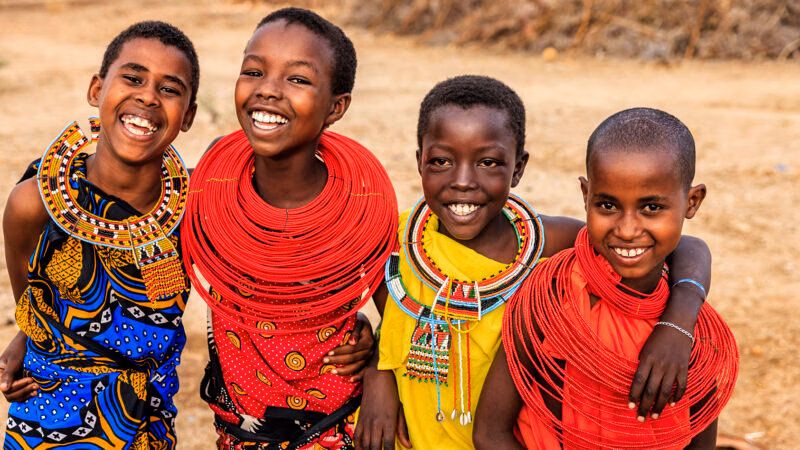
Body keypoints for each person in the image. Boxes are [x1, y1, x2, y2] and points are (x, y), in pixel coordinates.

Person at [354, 77, 714, 450]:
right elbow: (391, 325)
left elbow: (688, 248)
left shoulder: (551, 244)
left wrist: (678, 324)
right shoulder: (396, 242)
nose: (463, 182)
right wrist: (377, 373)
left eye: (489, 162)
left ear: (518, 167)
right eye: (441, 161)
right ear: (419, 162)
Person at [180, 8, 397, 450]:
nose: (268, 89)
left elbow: (398, 314)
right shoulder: (211, 183)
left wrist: (377, 369)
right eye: (254, 71)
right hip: (235, 432)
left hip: (333, 428)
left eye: (297, 79)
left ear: (336, 107)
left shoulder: (358, 209)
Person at [473, 107, 738, 449]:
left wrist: (678, 327)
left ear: (692, 201)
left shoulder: (698, 340)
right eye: (608, 206)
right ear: (586, 196)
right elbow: (489, 433)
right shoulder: (548, 300)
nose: (627, 230)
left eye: (652, 208)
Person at [0, 21, 199, 448]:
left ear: (189, 116)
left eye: (170, 89)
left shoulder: (196, 208)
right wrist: (28, 337)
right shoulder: (33, 203)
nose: (147, 95)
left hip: (150, 421)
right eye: (132, 78)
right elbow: (30, 299)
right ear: (96, 90)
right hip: (47, 416)